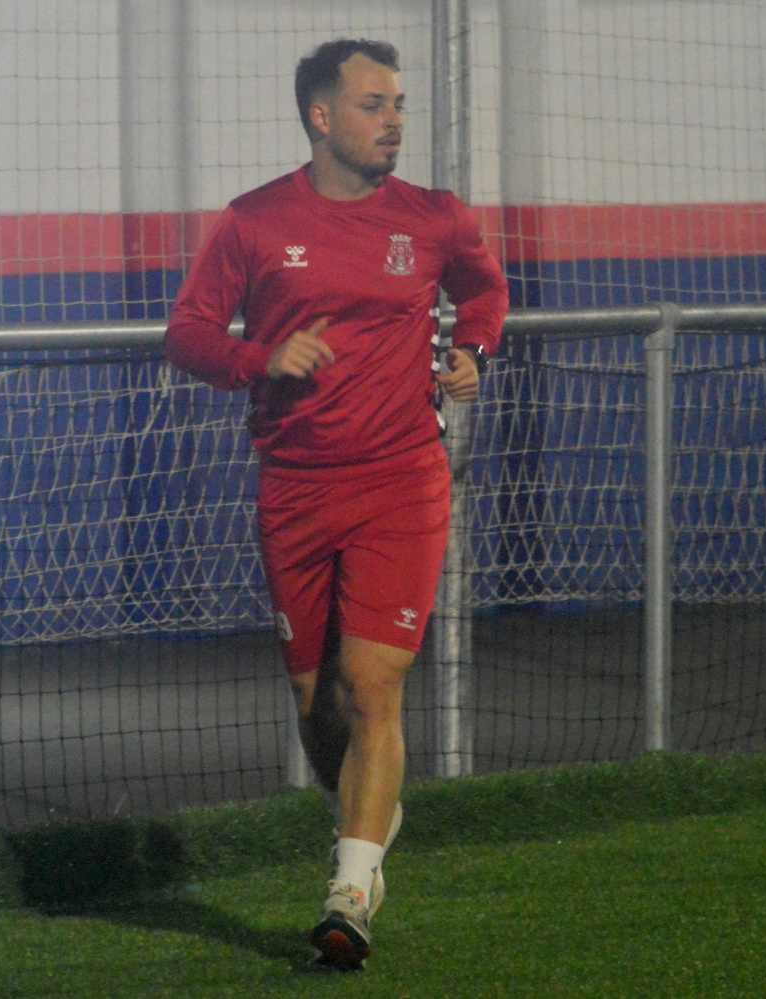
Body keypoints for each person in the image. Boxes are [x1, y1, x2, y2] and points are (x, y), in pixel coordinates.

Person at [163, 37, 508, 971]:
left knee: (374, 685)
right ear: (321, 117)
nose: (394, 120)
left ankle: (351, 890)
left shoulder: (434, 218)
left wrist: (474, 345)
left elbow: (485, 289)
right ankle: (367, 817)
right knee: (317, 701)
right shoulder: (252, 222)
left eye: (397, 103)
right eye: (372, 104)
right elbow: (187, 333)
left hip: (402, 478)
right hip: (296, 487)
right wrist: (257, 360)